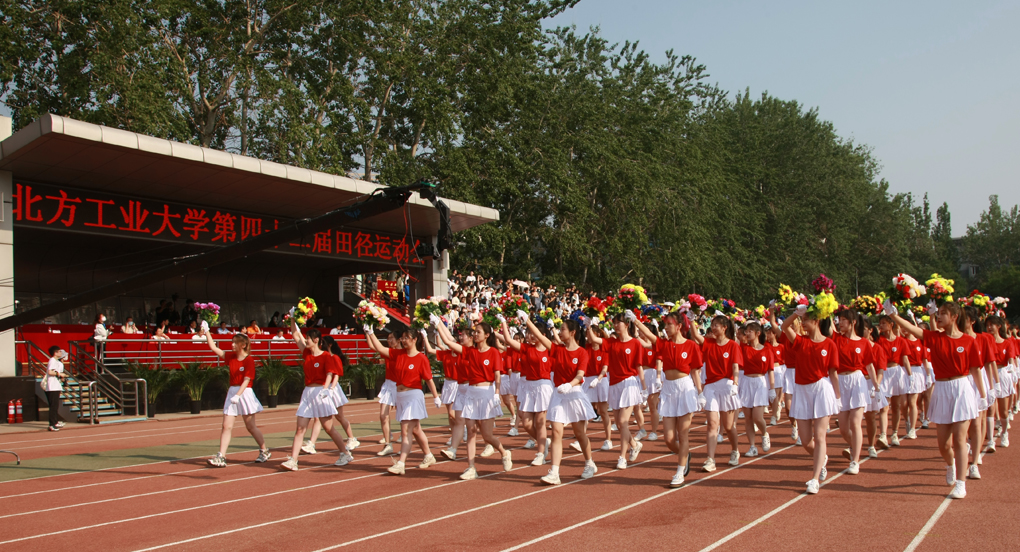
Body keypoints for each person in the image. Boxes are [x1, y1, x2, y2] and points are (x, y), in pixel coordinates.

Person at [888, 300, 984, 499]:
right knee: (943, 445)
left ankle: (961, 483)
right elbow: (913, 329)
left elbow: (975, 369)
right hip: (942, 389)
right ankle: (950, 464)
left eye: (942, 313)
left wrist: (983, 394)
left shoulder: (969, 341)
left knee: (960, 439)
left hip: (962, 388)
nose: (938, 316)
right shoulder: (935, 338)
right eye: (938, 313)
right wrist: (893, 315)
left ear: (954, 317)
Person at [432, 316, 514, 479]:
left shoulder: (493, 352)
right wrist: (438, 323)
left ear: (487, 335)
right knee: (470, 431)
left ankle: (504, 452)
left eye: (478, 332)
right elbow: (448, 342)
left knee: (487, 435)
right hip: (471, 393)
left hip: (486, 393)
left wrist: (497, 393)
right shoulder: (470, 352)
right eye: (475, 332)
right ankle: (471, 467)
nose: (475, 334)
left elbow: (497, 375)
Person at [523, 317, 597, 485]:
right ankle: (554, 472)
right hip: (558, 394)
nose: (559, 332)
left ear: (572, 332)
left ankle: (589, 463)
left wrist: (569, 384)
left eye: (562, 329)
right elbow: (540, 336)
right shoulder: (557, 349)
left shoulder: (582, 352)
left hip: (574, 393)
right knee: (556, 432)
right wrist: (527, 321)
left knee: (580, 433)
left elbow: (580, 375)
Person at [634, 311, 703, 486]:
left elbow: (695, 371)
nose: (666, 327)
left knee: (683, 433)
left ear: (679, 326)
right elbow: (650, 335)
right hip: (669, 389)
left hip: (685, 388)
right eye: (665, 324)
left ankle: (679, 471)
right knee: (669, 439)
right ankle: (685, 454)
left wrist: (700, 393)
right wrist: (635, 320)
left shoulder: (691, 345)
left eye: (669, 324)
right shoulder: (664, 344)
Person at [781, 303, 841, 495]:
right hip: (802, 390)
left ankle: (814, 479)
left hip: (821, 389)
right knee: (806, 440)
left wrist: (838, 397)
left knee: (820, 436)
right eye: (802, 319)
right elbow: (784, 326)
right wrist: (796, 313)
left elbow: (833, 373)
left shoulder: (829, 344)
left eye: (806, 319)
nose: (803, 323)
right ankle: (821, 458)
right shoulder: (800, 342)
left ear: (816, 321)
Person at [281, 323, 353, 471]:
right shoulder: (306, 353)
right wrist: (293, 318)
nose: (306, 340)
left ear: (316, 340)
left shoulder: (326, 356)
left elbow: (330, 374)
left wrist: (326, 390)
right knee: (300, 428)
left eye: (308, 338)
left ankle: (345, 453)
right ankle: (293, 460)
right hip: (308, 392)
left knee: (328, 428)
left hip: (321, 391)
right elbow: (295, 335)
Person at [586, 311, 648, 469]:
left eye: (617, 322)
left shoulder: (635, 343)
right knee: (620, 426)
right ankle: (634, 444)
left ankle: (622, 457)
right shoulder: (611, 343)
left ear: (626, 324)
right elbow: (594, 339)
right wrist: (588, 326)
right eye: (613, 323)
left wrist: (644, 387)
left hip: (629, 384)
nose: (615, 325)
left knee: (622, 422)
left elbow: (639, 367)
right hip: (614, 384)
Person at [375, 329, 442, 475]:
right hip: (401, 397)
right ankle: (429, 455)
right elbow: (379, 348)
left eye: (407, 337)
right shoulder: (398, 354)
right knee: (416, 430)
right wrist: (369, 332)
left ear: (414, 339)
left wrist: (436, 396)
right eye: (403, 338)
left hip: (413, 396)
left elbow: (429, 379)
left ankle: (401, 463)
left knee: (405, 430)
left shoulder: (421, 358)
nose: (404, 340)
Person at [205, 333, 271, 467]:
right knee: (226, 426)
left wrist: (238, 395)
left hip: (244, 393)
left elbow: (247, 379)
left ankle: (264, 450)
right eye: (232, 342)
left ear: (243, 345)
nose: (232, 345)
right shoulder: (231, 357)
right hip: (232, 391)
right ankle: (221, 456)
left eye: (235, 342)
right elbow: (213, 348)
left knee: (250, 426)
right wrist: (207, 331)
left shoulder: (249, 360)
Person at [689, 315, 743, 471]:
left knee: (729, 426)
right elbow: (696, 335)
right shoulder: (709, 343)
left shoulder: (733, 345)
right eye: (712, 325)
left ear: (724, 328)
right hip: (711, 386)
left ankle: (735, 450)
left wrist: (735, 384)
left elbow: (735, 367)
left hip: (727, 386)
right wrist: (691, 320)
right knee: (712, 424)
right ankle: (710, 459)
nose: (713, 328)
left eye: (716, 325)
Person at [832, 308, 879, 474]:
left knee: (855, 422)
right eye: (839, 320)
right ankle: (855, 447)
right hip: (841, 381)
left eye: (843, 320)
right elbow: (829, 325)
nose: (840, 323)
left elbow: (870, 366)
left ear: (852, 322)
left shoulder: (864, 343)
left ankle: (855, 461)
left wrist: (876, 387)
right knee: (844, 428)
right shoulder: (836, 339)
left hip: (857, 381)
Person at [500, 317, 552, 466]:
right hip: (529, 386)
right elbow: (508, 341)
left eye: (534, 333)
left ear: (542, 335)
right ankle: (543, 442)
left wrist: (528, 320)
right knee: (527, 424)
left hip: (543, 386)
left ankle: (540, 453)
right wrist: (503, 322)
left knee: (540, 422)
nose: (530, 336)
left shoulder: (550, 349)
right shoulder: (527, 348)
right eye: (529, 333)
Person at [301, 336, 361, 455]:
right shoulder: (321, 356)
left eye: (324, 342)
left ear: (329, 345)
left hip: (332, 389)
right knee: (318, 417)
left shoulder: (334, 357)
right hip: (322, 388)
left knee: (339, 416)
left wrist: (331, 389)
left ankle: (351, 438)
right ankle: (312, 443)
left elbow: (336, 375)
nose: (321, 344)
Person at [737, 322, 775, 458]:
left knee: (758, 417)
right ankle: (752, 446)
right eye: (746, 331)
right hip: (746, 382)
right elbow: (737, 338)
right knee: (748, 418)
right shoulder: (744, 348)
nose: (747, 333)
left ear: (758, 333)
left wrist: (772, 389)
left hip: (760, 382)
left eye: (750, 331)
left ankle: (764, 434)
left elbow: (770, 370)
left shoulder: (767, 350)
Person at [363, 328, 403, 455]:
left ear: (399, 340)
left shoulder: (402, 353)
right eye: (388, 338)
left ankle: (404, 441)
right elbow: (372, 346)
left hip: (401, 386)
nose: (389, 340)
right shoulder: (388, 352)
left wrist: (371, 332)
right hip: (389, 385)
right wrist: (367, 331)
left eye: (391, 338)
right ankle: (388, 443)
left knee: (403, 416)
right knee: (383, 415)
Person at [44, 346, 67, 431]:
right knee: (53, 406)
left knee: (55, 406)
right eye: (59, 351)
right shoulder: (52, 360)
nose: (61, 353)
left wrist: (61, 377)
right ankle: (52, 424)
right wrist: (59, 374)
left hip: (56, 386)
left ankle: (55, 422)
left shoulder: (56, 361)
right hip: (52, 387)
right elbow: (50, 372)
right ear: (55, 353)